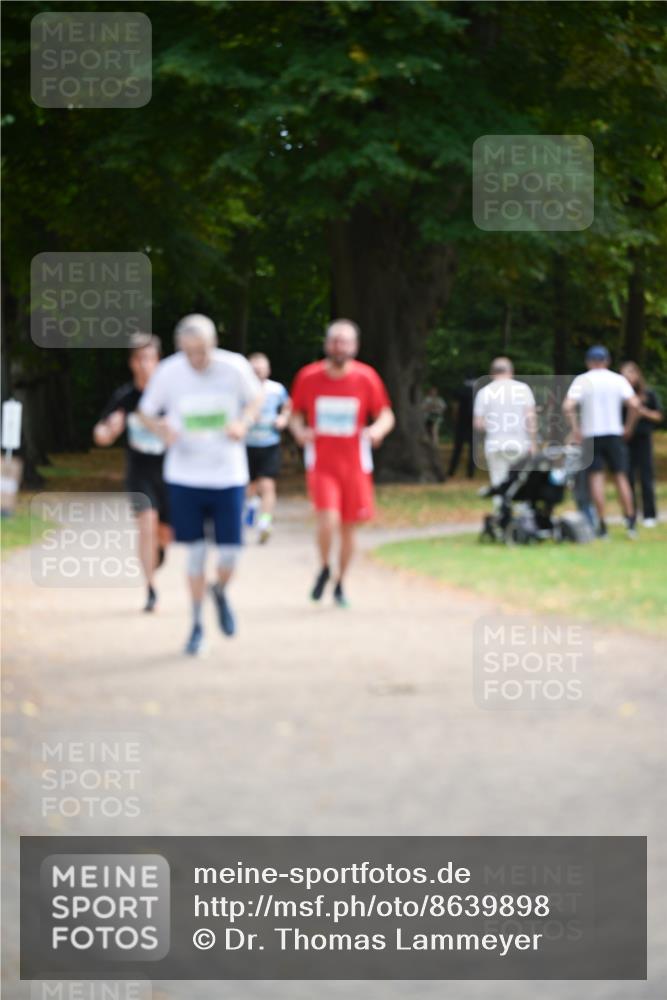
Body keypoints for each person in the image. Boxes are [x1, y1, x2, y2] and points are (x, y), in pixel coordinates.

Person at [138, 314, 263, 655]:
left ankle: (220, 590)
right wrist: (162, 429)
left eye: (203, 351)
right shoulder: (169, 372)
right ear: (181, 348)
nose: (197, 359)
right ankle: (196, 625)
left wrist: (244, 421)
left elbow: (257, 397)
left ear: (214, 344)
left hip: (227, 476)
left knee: (231, 555)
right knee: (194, 554)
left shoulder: (234, 367)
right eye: (190, 352)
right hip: (185, 477)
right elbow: (146, 411)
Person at [289, 319, 395, 607]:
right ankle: (324, 567)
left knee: (349, 527)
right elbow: (294, 413)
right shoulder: (309, 376)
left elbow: (386, 414)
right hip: (322, 463)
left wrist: (376, 431)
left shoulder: (366, 377)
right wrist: (299, 431)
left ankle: (340, 583)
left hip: (355, 465)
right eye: (335, 340)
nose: (339, 346)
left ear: (355, 346)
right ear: (326, 344)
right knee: (328, 518)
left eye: (345, 341)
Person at [93, 332, 170, 613]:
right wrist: (109, 430)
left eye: (149, 358)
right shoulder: (124, 397)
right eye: (138, 359)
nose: (144, 364)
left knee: (165, 533)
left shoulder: (170, 395)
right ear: (131, 363)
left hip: (171, 473)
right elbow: (100, 434)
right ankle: (151, 589)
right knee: (146, 524)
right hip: (140, 473)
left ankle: (158, 551)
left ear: (158, 361)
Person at [563, 346, 639, 539]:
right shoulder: (618, 379)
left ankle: (602, 524)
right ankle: (630, 522)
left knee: (596, 478)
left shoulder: (582, 380)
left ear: (588, 362)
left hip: (592, 433)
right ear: (607, 361)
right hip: (614, 432)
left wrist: (575, 428)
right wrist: (628, 426)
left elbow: (568, 405)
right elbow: (635, 404)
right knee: (621, 477)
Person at [473, 357, 537, 506]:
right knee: (520, 483)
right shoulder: (523, 389)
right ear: (511, 372)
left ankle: (502, 517)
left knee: (499, 482)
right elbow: (530, 418)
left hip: (495, 444)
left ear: (491, 373)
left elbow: (478, 423)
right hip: (520, 444)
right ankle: (522, 518)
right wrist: (533, 443)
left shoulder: (484, 392)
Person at [244, 352, 292, 543]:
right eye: (254, 369)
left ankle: (265, 522)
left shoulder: (276, 389)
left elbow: (288, 406)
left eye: (261, 368)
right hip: (246, 444)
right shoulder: (242, 389)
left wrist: (283, 418)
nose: (258, 372)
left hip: (269, 444)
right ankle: (252, 504)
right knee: (249, 487)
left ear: (268, 370)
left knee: (267, 484)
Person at [620, 361, 662, 526]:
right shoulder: (620, 395)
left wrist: (642, 412)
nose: (628, 377)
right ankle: (630, 514)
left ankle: (649, 515)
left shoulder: (648, 394)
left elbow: (658, 416)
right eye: (624, 374)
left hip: (643, 440)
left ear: (637, 375)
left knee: (646, 477)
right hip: (625, 441)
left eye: (631, 373)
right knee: (627, 477)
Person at [447, 375, 475, 479]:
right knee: (472, 450)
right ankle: (470, 473)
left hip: (461, 423)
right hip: (473, 423)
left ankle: (451, 471)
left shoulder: (460, 390)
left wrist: (455, 418)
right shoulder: (478, 391)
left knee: (457, 449)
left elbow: (456, 406)